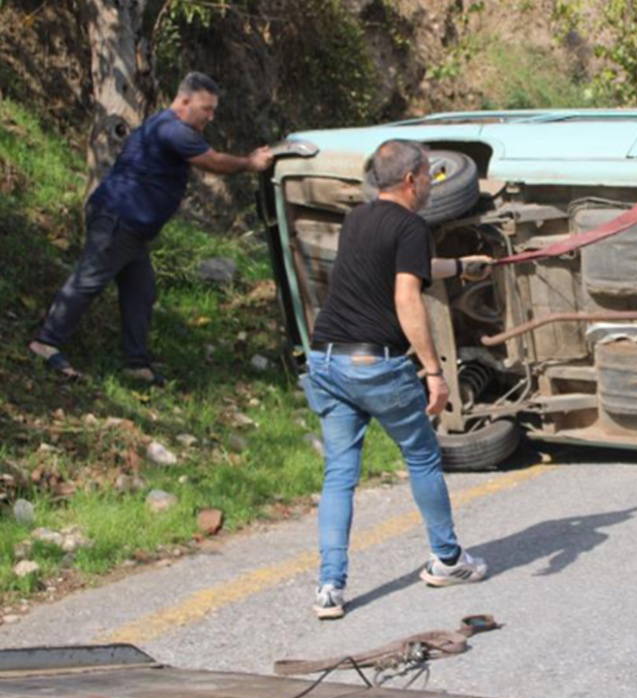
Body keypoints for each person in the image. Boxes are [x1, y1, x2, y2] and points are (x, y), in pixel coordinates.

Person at [305, 138, 493, 619]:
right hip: (376, 366)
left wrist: (459, 269)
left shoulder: (357, 218)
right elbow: (407, 295)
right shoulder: (412, 225)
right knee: (423, 457)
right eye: (429, 174)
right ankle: (448, 560)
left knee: (340, 475)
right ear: (411, 180)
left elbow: (401, 265)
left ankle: (330, 587)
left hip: (326, 360)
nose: (432, 183)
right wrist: (434, 372)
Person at [28, 72, 275, 384]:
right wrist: (250, 163)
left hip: (131, 227)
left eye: (214, 110)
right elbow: (213, 162)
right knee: (88, 281)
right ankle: (45, 343)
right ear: (184, 101)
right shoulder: (174, 129)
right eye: (206, 109)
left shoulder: (166, 126)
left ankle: (136, 363)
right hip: (119, 219)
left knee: (141, 292)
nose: (211, 117)